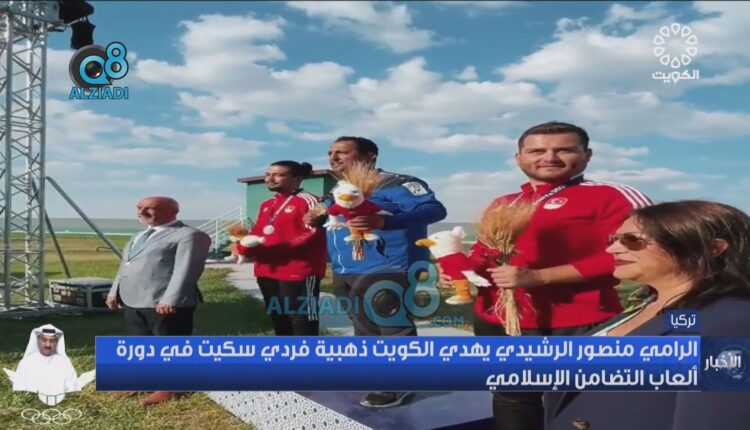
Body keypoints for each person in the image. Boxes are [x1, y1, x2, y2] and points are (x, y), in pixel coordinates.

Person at [442, 121, 651, 430]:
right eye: (537, 151)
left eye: (563, 150)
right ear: (519, 158)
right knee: (512, 397)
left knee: (582, 403)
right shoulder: (504, 203)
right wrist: (462, 273)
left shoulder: (612, 196)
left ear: (587, 154)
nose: (549, 157)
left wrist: (539, 277)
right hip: (498, 319)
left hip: (576, 320)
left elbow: (644, 253)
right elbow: (484, 254)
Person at [546, 200, 750, 430]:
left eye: (632, 240)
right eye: (614, 239)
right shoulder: (649, 305)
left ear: (713, 248)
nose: (612, 249)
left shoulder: (730, 322)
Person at [305, 136, 447, 408]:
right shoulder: (339, 188)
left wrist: (384, 221)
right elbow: (333, 219)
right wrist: (315, 218)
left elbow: (434, 210)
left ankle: (397, 385)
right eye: (331, 152)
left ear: (369, 156)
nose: (333, 157)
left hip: (388, 265)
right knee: (363, 326)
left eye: (342, 152)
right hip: (346, 268)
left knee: (391, 326)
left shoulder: (396, 183)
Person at [106, 196, 211, 406]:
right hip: (134, 300)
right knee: (141, 345)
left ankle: (170, 388)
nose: (142, 211)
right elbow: (126, 265)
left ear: (173, 211)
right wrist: (114, 291)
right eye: (139, 207)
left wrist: (171, 298)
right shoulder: (139, 236)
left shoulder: (189, 235)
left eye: (150, 208)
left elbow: (187, 270)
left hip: (164, 302)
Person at [233, 161, 326, 336]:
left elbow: (312, 233)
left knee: (301, 317)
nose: (270, 179)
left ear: (297, 178)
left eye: (278, 175)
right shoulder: (267, 204)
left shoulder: (309, 200)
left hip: (298, 270)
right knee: (279, 317)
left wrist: (276, 249)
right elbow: (258, 232)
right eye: (268, 174)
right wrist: (244, 247)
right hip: (266, 270)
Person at [8, 324, 85, 402]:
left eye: (52, 341)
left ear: (56, 342)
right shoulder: (26, 363)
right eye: (44, 340)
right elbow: (19, 390)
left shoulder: (65, 364)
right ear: (38, 339)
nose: (47, 345)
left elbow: (73, 390)